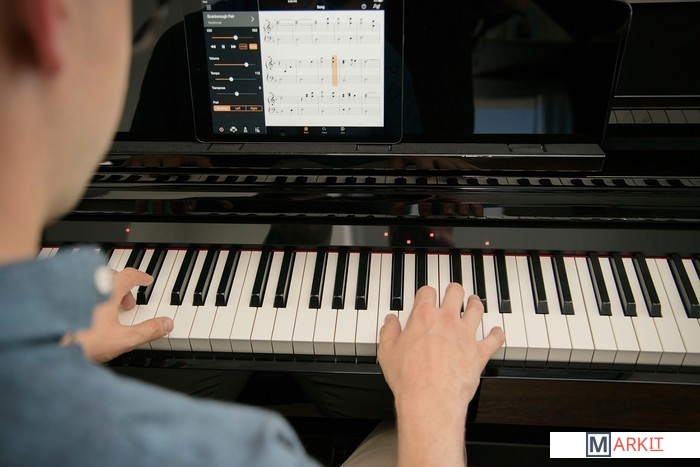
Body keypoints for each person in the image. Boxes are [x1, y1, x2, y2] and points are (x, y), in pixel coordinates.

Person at [0, 1, 504, 466]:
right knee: (409, 419)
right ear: (49, 19)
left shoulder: (385, 57)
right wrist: (433, 402)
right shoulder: (253, 450)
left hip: (305, 238)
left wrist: (59, 350)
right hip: (214, 234)